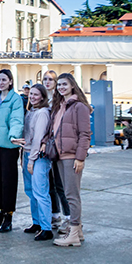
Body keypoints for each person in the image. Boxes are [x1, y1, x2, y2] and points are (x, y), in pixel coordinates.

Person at [50, 73, 91, 247]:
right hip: (60, 155)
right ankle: (77, 231)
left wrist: (80, 157)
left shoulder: (79, 107)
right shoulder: (60, 106)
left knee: (71, 195)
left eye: (64, 84)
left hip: (71, 156)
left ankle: (73, 233)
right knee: (69, 193)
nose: (61, 87)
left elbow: (85, 134)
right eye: (59, 84)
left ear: (72, 85)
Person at [0, 69, 24, 233]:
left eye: (4, 80)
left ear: (10, 81)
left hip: (9, 144)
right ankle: (1, 212)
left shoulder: (15, 99)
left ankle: (9, 215)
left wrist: (14, 135)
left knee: (8, 181)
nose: (1, 83)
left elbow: (16, 119)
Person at [16, 84, 54, 241]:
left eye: (36, 94)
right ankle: (37, 222)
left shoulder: (43, 113)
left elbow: (38, 139)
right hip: (27, 153)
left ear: (43, 97)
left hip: (38, 157)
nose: (32, 97)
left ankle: (46, 228)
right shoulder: (31, 111)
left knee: (40, 192)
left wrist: (31, 160)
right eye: (31, 94)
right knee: (30, 191)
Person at [43, 70, 70, 230]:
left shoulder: (60, 101)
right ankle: (55, 214)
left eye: (51, 80)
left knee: (60, 184)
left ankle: (68, 217)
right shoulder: (41, 99)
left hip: (57, 146)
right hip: (45, 146)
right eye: (45, 79)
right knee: (49, 183)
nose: (47, 82)